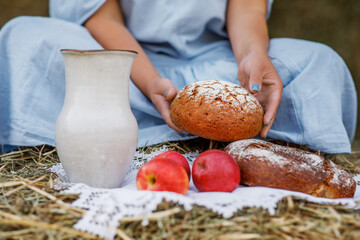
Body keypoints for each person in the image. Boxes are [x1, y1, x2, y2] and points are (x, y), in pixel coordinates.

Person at [0, 0, 357, 154]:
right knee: (23, 40)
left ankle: (141, 125)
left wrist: (253, 56)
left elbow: (247, 8)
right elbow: (102, 17)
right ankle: (198, 127)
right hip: (123, 62)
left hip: (219, 62)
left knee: (320, 63)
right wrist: (147, 79)